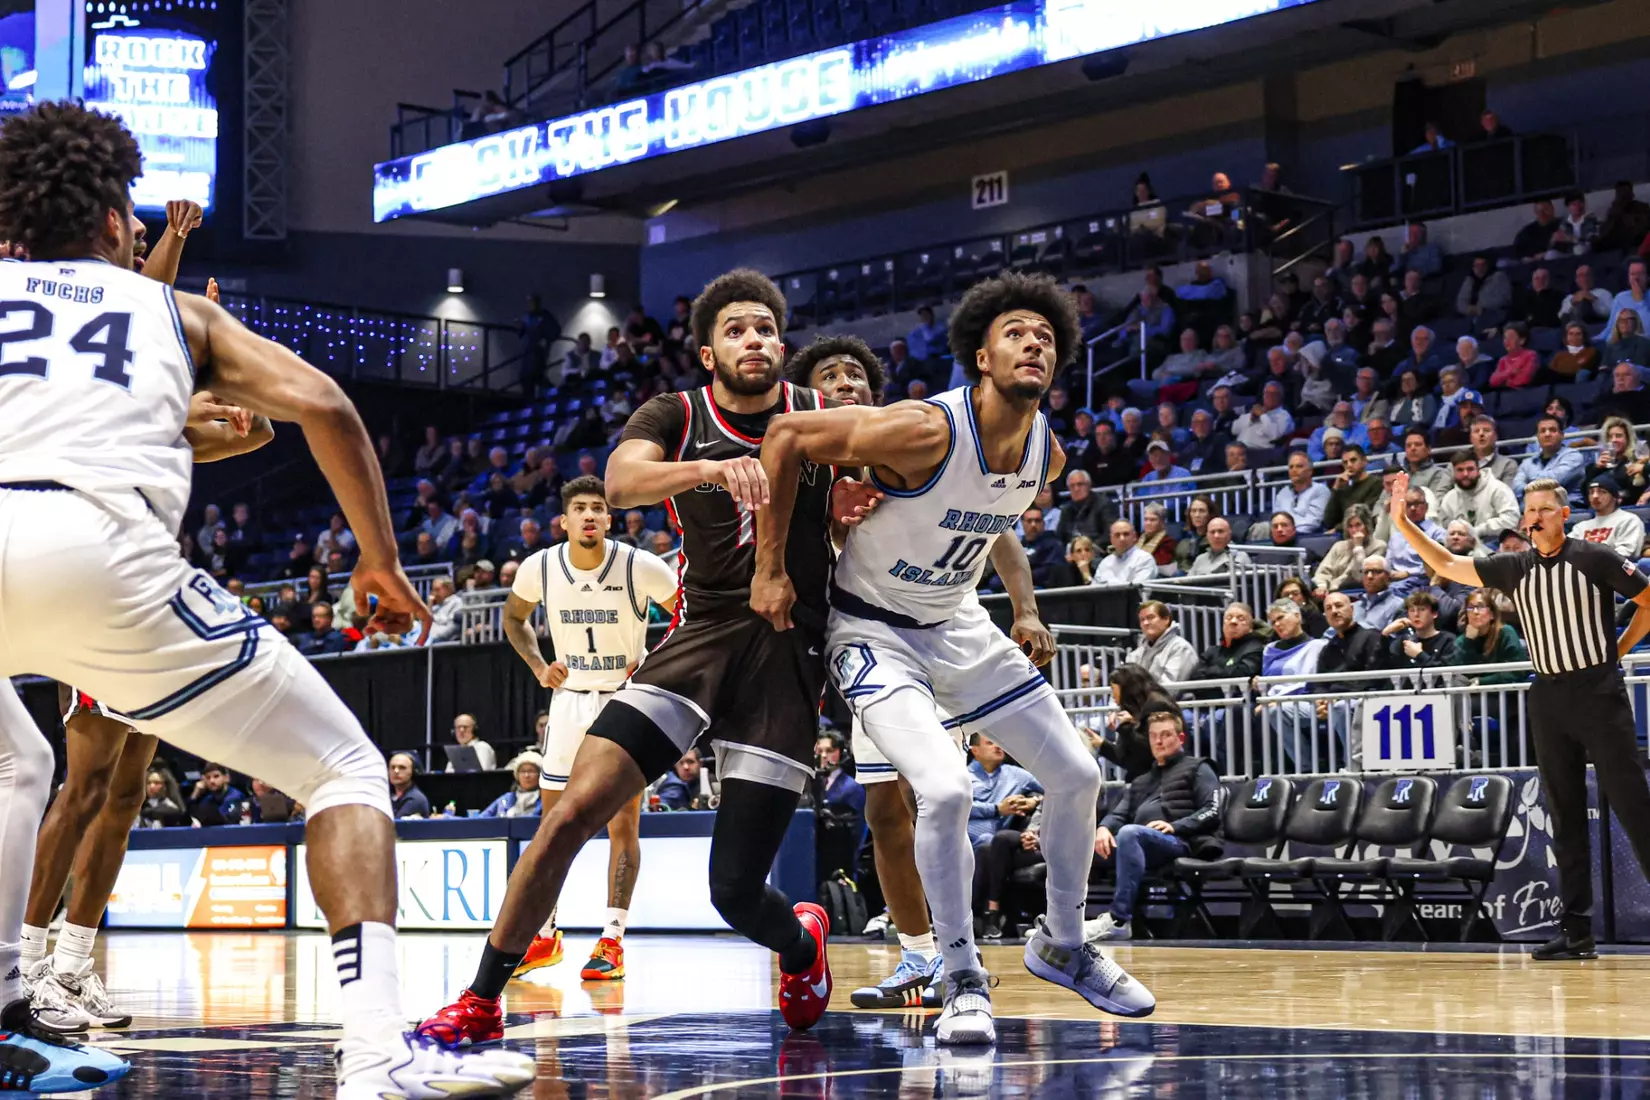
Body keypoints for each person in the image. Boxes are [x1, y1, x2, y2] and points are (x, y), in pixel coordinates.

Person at [0, 100, 533, 1097]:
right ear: (119, 224)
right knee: (342, 768)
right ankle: (376, 1057)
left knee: (17, 759)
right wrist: (377, 556)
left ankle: (6, 1010)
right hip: (101, 555)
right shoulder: (176, 311)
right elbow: (326, 403)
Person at [419, 269, 840, 1047]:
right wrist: (711, 468)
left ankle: (803, 944)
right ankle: (480, 1000)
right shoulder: (676, 412)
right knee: (569, 813)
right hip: (700, 636)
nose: (756, 339)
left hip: (787, 653)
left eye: (766, 328)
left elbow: (896, 471)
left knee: (736, 892)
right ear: (709, 354)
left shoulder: (818, 412)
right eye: (737, 330)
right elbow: (620, 479)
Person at [750, 271, 1155, 1045]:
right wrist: (772, 564)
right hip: (873, 630)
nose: (1033, 341)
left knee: (1078, 773)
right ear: (979, 355)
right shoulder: (923, 429)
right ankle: (960, 975)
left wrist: (1028, 607)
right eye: (1015, 333)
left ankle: (1063, 943)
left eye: (1045, 334)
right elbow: (785, 436)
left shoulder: (1045, 450)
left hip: (957, 623)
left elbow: (992, 519)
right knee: (941, 790)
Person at [20, 394, 273, 1029]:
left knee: (127, 796)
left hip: (154, 614)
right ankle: (23, 970)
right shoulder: (97, 430)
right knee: (84, 788)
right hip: (95, 604)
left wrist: (228, 376)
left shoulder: (170, 444)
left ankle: (73, 966)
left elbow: (261, 432)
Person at [1388, 473, 1650, 960]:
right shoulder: (1514, 567)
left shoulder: (1594, 557)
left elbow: (1648, 600)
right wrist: (1403, 523)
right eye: (1529, 512)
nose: (1534, 519)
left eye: (1544, 511)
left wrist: (1619, 649)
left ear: (1564, 514)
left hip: (1598, 690)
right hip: (1548, 696)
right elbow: (1445, 562)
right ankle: (1576, 933)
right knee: (1564, 815)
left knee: (1634, 806)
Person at [785, 334, 945, 1012]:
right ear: (811, 396)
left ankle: (956, 953)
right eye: (831, 373)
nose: (847, 379)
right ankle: (920, 955)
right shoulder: (801, 470)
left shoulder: (913, 440)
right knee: (884, 812)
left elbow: (991, 522)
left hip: (935, 641)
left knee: (936, 801)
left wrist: (1024, 607)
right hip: (865, 650)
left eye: (857, 370)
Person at [498, 475, 679, 983]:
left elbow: (689, 616)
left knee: (623, 822)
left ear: (610, 518)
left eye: (598, 508)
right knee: (552, 827)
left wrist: (656, 666)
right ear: (565, 520)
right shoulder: (541, 566)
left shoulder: (640, 565)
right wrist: (538, 667)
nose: (590, 516)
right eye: (580, 508)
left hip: (626, 698)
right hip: (570, 701)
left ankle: (612, 940)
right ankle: (546, 933)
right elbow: (513, 619)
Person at [1084, 708, 1220, 942]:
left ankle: (1118, 919)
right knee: (1077, 845)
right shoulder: (1141, 780)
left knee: (1129, 833)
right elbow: (1119, 813)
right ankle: (1062, 921)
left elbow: (1213, 809)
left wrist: (1176, 826)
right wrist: (1104, 828)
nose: (1159, 740)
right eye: (1153, 735)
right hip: (1139, 843)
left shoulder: (1199, 768)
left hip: (1179, 842)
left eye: (1166, 734)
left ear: (1181, 738)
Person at [968, 732, 1044, 941]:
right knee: (986, 843)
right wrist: (996, 809)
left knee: (989, 845)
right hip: (964, 838)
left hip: (996, 843)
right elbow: (956, 805)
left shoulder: (1017, 775)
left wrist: (1035, 800)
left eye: (999, 741)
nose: (997, 746)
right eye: (990, 742)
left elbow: (1054, 791)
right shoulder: (963, 777)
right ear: (975, 751)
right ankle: (982, 915)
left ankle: (979, 916)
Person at [1437, 453, 1519, 548]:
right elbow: (1443, 528)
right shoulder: (1449, 498)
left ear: (1478, 470)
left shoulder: (1498, 489)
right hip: (1461, 550)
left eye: (1470, 469)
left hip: (1495, 544)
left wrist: (1478, 530)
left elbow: (1511, 520)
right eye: (1460, 470)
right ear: (1453, 472)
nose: (1465, 474)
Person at [1312, 503, 1386, 596]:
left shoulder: (1378, 546)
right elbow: (1323, 571)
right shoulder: (1339, 546)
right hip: (1330, 593)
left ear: (1367, 525)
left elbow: (1359, 577)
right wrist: (1322, 586)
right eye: (1350, 526)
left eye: (1358, 525)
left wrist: (1358, 547)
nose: (1354, 530)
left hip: (1355, 594)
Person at [1570, 477, 1646, 559]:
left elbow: (1625, 552)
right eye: (1591, 492)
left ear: (1615, 497)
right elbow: (1566, 552)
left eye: (1602, 492)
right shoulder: (1580, 527)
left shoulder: (1629, 520)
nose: (1595, 496)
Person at [1125, 601, 1198, 684]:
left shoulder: (1181, 648)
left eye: (1150, 617)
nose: (1145, 623)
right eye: (1142, 620)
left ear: (1166, 619)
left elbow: (1169, 689)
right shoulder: (1136, 654)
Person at [1092, 519, 1158, 586]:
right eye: (1117, 535)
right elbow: (1093, 591)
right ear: (1111, 539)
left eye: (1126, 534)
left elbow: (1137, 591)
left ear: (1134, 537)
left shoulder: (1145, 559)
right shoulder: (1105, 563)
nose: (1122, 539)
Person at [480, 753, 545, 818]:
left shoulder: (545, 799)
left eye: (531, 771)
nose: (526, 775)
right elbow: (481, 819)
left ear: (540, 774)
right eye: (522, 771)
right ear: (517, 775)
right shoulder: (506, 799)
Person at [1187, 516, 1251, 576]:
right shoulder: (1200, 559)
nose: (1216, 536)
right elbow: (1186, 584)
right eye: (1212, 532)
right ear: (1207, 536)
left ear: (1229, 534)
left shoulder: (1241, 557)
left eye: (1220, 531)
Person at [388, 753, 431, 820]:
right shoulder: (389, 795)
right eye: (392, 767)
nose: (396, 771)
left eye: (402, 768)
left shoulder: (415, 799)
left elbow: (394, 826)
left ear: (412, 772)